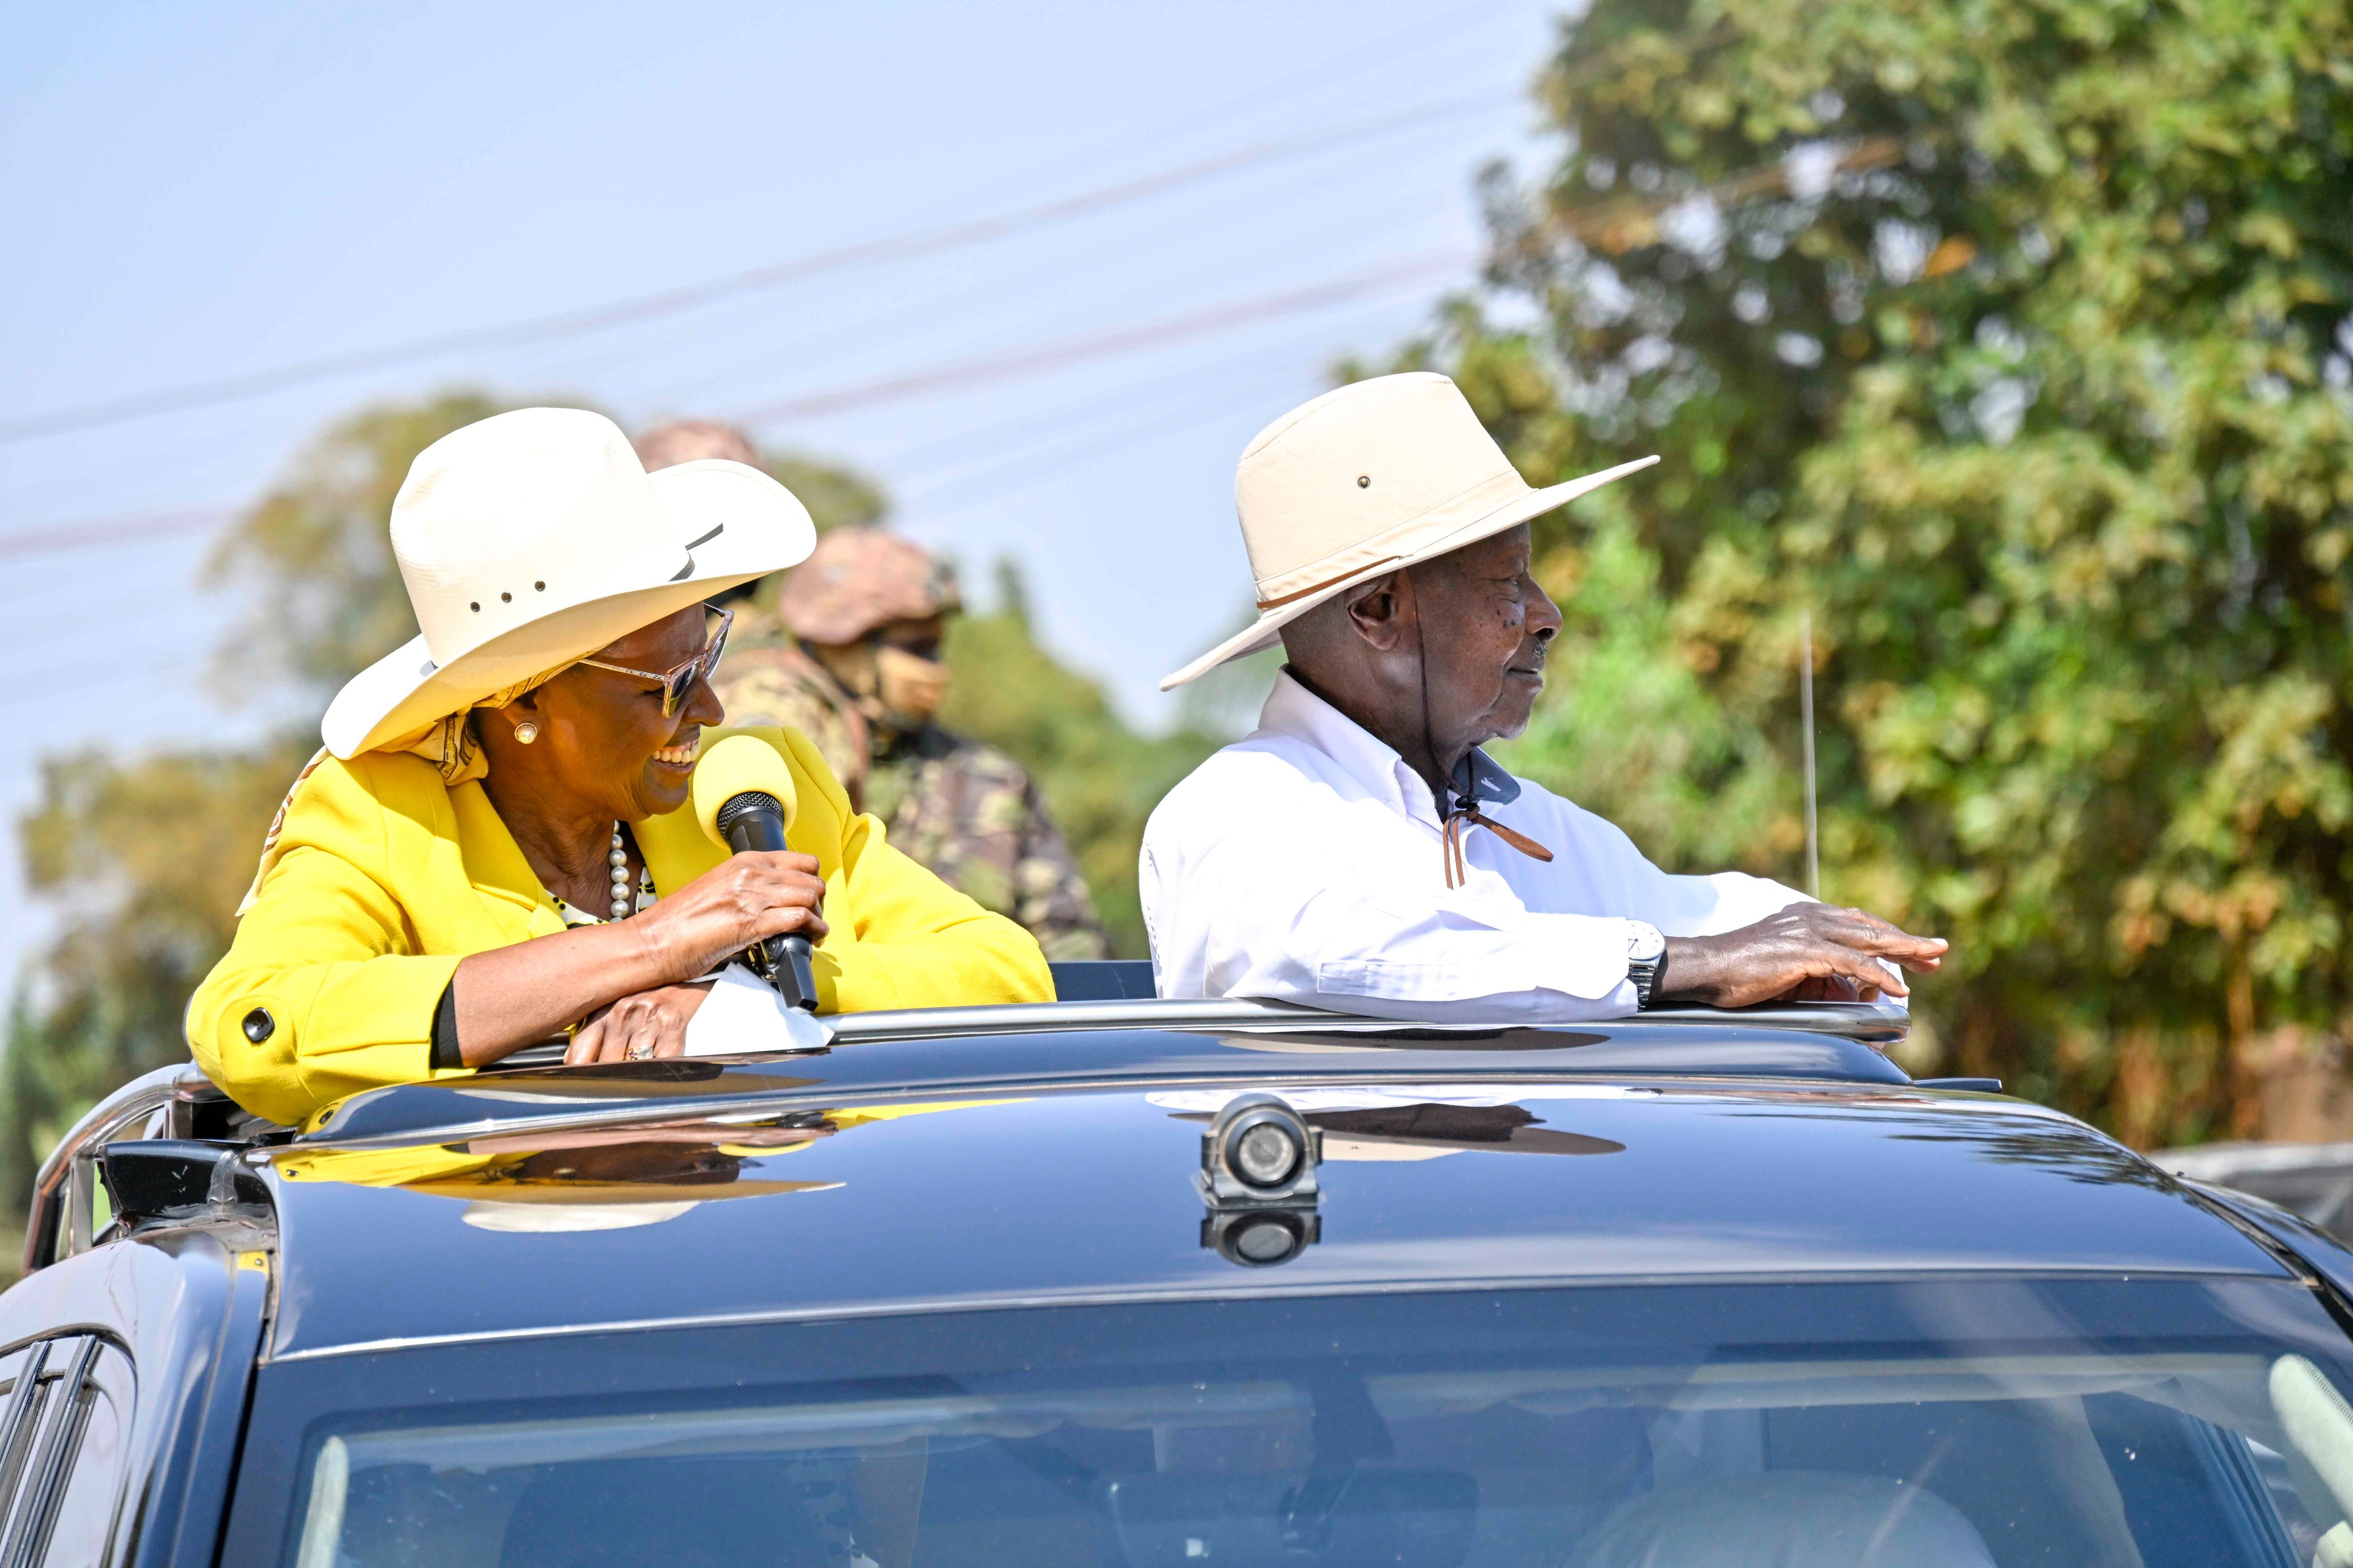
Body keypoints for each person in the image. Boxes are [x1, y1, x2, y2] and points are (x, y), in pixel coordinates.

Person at [187, 408, 1052, 1128]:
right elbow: (253, 1026)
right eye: (669, 685)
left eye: (705, 655)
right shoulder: (377, 815)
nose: (710, 711)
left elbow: (1007, 974)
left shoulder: (760, 781)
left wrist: (743, 1008)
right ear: (519, 701)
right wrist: (650, 947)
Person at [1142, 372, 1947, 1021]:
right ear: (1378, 611)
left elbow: (1698, 911)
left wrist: (1828, 947)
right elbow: (1343, 948)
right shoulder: (1235, 809)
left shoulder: (1531, 823)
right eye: (1507, 581)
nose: (1547, 614)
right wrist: (1671, 965)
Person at [673, 501, 1110, 962]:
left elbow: (1074, 951)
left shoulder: (989, 782)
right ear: (846, 645)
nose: (935, 670)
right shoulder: (775, 716)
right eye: (915, 649)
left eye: (936, 648)